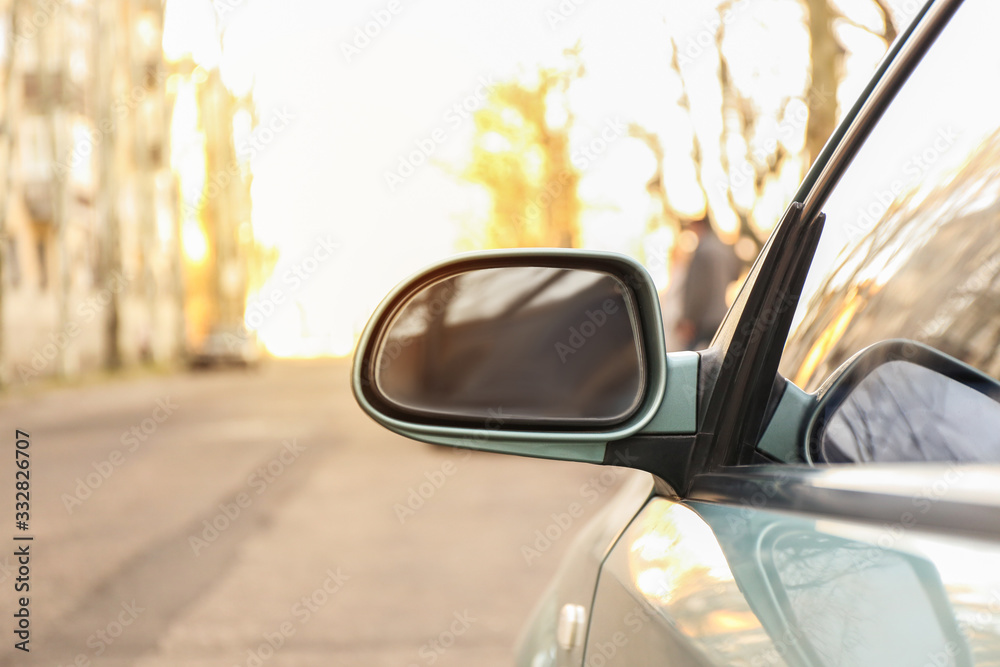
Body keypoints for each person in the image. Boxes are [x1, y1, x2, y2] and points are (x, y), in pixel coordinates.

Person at [677, 215, 741, 350]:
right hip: (722, 315)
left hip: (704, 319)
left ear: (701, 226)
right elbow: (735, 275)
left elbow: (698, 290)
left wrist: (689, 318)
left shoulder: (702, 251)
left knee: (690, 361)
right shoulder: (724, 249)